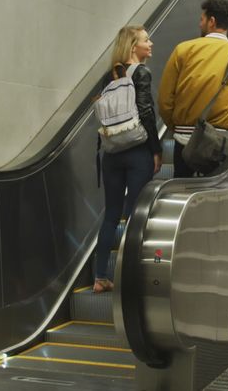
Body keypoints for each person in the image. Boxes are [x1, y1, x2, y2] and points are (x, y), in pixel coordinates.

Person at [159, 0, 228, 177]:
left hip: (184, 141)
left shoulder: (183, 50)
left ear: (212, 21)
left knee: (181, 187)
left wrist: (177, 126)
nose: (199, 23)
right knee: (215, 189)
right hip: (219, 144)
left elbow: (165, 100)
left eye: (202, 19)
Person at [94, 26, 161, 293]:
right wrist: (156, 149)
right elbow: (146, 112)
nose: (150, 43)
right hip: (136, 151)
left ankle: (100, 277)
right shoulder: (141, 72)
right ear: (133, 46)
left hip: (111, 152)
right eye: (146, 40)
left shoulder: (108, 76)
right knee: (135, 216)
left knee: (111, 215)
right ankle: (129, 278)